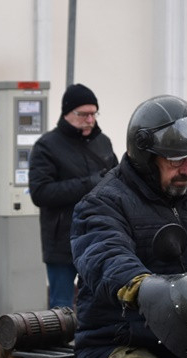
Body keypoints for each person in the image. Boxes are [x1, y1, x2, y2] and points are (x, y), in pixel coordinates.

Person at [70, 94, 187, 358]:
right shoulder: (103, 203)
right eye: (175, 160)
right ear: (146, 158)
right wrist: (141, 285)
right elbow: (105, 254)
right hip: (119, 341)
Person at [28, 83, 117, 309]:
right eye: (83, 114)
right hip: (61, 241)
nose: (89, 120)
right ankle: (59, 344)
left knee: (100, 302)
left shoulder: (103, 142)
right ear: (67, 113)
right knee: (61, 307)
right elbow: (41, 193)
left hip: (98, 236)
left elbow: (118, 181)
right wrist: (88, 184)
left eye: (93, 114)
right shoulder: (46, 146)